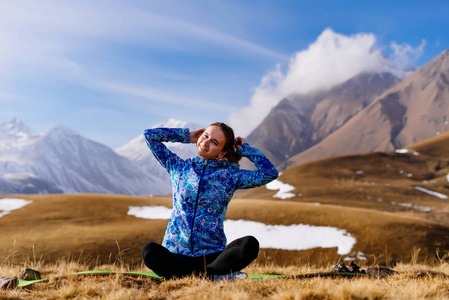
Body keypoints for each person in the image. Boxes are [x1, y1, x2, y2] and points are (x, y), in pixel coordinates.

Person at [141, 122, 278, 281]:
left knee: (249, 244)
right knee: (149, 251)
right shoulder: (178, 167)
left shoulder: (230, 176)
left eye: (215, 142)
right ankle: (211, 278)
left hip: (214, 258)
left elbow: (269, 173)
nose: (206, 142)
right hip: (176, 254)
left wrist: (245, 149)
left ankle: (197, 276)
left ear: (222, 152)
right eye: (205, 136)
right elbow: (149, 136)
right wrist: (186, 136)